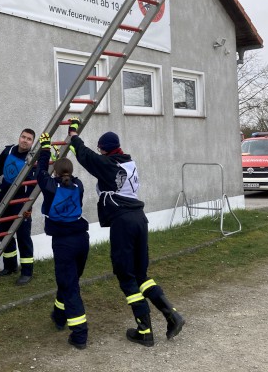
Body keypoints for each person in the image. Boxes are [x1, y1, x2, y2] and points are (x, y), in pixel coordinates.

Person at [67, 118, 184, 347]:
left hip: (123, 222)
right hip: (139, 219)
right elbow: (96, 159)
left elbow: (87, 157)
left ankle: (145, 331)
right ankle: (173, 315)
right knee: (141, 274)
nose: (100, 151)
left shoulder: (110, 166)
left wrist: (73, 136)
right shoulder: (129, 162)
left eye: (102, 148)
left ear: (105, 149)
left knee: (125, 274)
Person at [35, 132, 89, 350]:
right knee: (69, 280)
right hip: (82, 240)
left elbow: (40, 171)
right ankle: (59, 315)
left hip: (63, 242)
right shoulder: (79, 185)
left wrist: (45, 147)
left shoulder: (50, 186)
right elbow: (68, 178)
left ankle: (79, 334)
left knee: (70, 285)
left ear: (55, 173)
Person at [0, 128, 36, 286]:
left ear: (32, 143)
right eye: (23, 137)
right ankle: (10, 266)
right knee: (2, 230)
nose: (25, 140)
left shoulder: (33, 158)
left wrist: (29, 205)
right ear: (19, 137)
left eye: (29, 139)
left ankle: (27, 272)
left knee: (23, 235)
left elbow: (36, 185)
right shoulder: (7, 152)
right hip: (4, 196)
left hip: (22, 200)